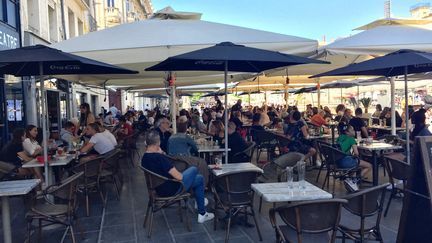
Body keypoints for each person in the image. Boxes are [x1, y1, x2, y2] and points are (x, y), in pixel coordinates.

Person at [141, 130, 214, 223]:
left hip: (158, 189)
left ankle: (202, 212)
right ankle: (201, 209)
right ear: (158, 142)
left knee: (199, 179)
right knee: (194, 169)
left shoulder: (144, 158)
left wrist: (162, 153)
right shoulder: (160, 159)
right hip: (171, 189)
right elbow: (179, 177)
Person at [336, 123, 372, 191]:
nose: (354, 131)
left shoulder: (339, 138)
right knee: (369, 165)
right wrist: (354, 156)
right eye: (352, 130)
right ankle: (355, 180)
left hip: (337, 161)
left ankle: (349, 179)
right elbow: (356, 153)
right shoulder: (351, 139)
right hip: (345, 162)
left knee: (357, 164)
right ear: (347, 132)